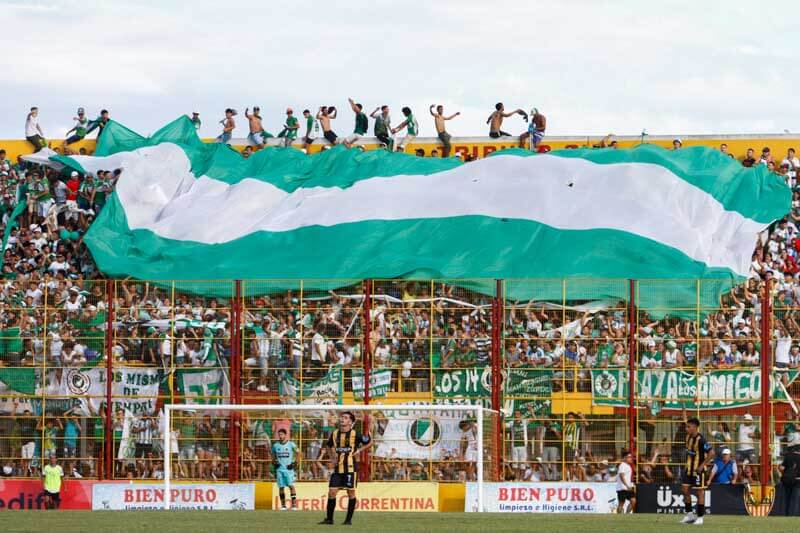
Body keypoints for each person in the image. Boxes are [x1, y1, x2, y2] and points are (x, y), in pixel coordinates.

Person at [318, 411, 372, 525]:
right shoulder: (335, 434)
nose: (342, 419)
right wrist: (332, 457)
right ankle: (329, 519)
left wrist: (359, 450)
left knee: (350, 494)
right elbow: (328, 446)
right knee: (332, 492)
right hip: (338, 469)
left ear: (351, 422)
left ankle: (348, 520)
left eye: (346, 418)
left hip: (351, 469)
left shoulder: (355, 434)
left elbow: (369, 442)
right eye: (342, 417)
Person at [679, 417, 715, 525]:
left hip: (698, 471)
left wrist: (702, 465)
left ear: (695, 427)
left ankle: (700, 517)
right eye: (686, 426)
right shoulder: (688, 437)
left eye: (688, 427)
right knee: (685, 490)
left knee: (700, 493)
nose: (686, 428)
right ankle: (689, 515)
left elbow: (712, 452)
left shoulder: (701, 439)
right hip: (688, 469)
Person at [272, 428, 300, 511]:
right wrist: (274, 461)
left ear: (285, 435)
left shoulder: (291, 444)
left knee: (291, 486)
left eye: (282, 434)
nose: (280, 436)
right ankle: (283, 505)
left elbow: (298, 452)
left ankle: (294, 505)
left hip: (288, 469)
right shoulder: (275, 445)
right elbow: (273, 454)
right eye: (279, 435)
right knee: (281, 487)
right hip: (279, 469)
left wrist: (295, 463)